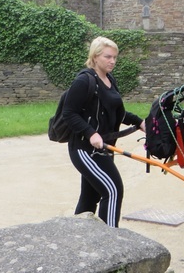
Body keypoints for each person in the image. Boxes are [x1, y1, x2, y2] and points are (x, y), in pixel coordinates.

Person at [62, 36, 145, 228]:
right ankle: (110, 241)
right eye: (108, 57)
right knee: (113, 189)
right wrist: (91, 133)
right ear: (95, 56)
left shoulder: (109, 80)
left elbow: (117, 112)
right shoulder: (84, 81)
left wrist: (139, 122)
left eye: (115, 57)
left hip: (104, 149)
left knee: (90, 198)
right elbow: (69, 113)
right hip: (84, 149)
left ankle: (76, 237)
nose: (113, 61)